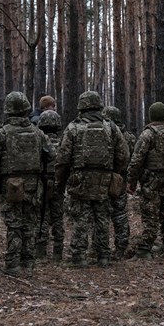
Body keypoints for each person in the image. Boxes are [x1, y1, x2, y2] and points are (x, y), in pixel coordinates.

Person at [55, 91, 130, 267]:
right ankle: (103, 256)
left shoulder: (73, 128)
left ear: (81, 107)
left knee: (81, 217)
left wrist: (60, 181)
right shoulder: (111, 127)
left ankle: (79, 257)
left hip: (80, 178)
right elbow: (124, 155)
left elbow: (63, 158)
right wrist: (113, 171)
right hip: (104, 178)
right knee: (102, 216)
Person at [0, 91, 49, 277]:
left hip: (11, 184)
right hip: (33, 184)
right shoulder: (38, 132)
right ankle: (28, 263)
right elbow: (51, 155)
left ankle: (13, 265)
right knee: (29, 224)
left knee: (14, 225)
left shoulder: (1, 134)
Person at [127, 102, 164, 259]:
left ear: (151, 116)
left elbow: (136, 160)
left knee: (150, 216)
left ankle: (144, 250)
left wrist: (131, 181)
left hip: (152, 183)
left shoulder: (148, 134)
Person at [102, 106, 137, 260]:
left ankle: (101, 248)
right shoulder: (129, 136)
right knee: (120, 213)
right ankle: (121, 247)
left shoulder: (104, 133)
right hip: (121, 179)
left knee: (102, 213)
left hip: (104, 178)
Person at [36, 110, 63, 260]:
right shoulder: (63, 141)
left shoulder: (39, 141)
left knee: (42, 216)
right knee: (58, 218)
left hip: (42, 182)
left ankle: (40, 251)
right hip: (58, 183)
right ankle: (58, 252)